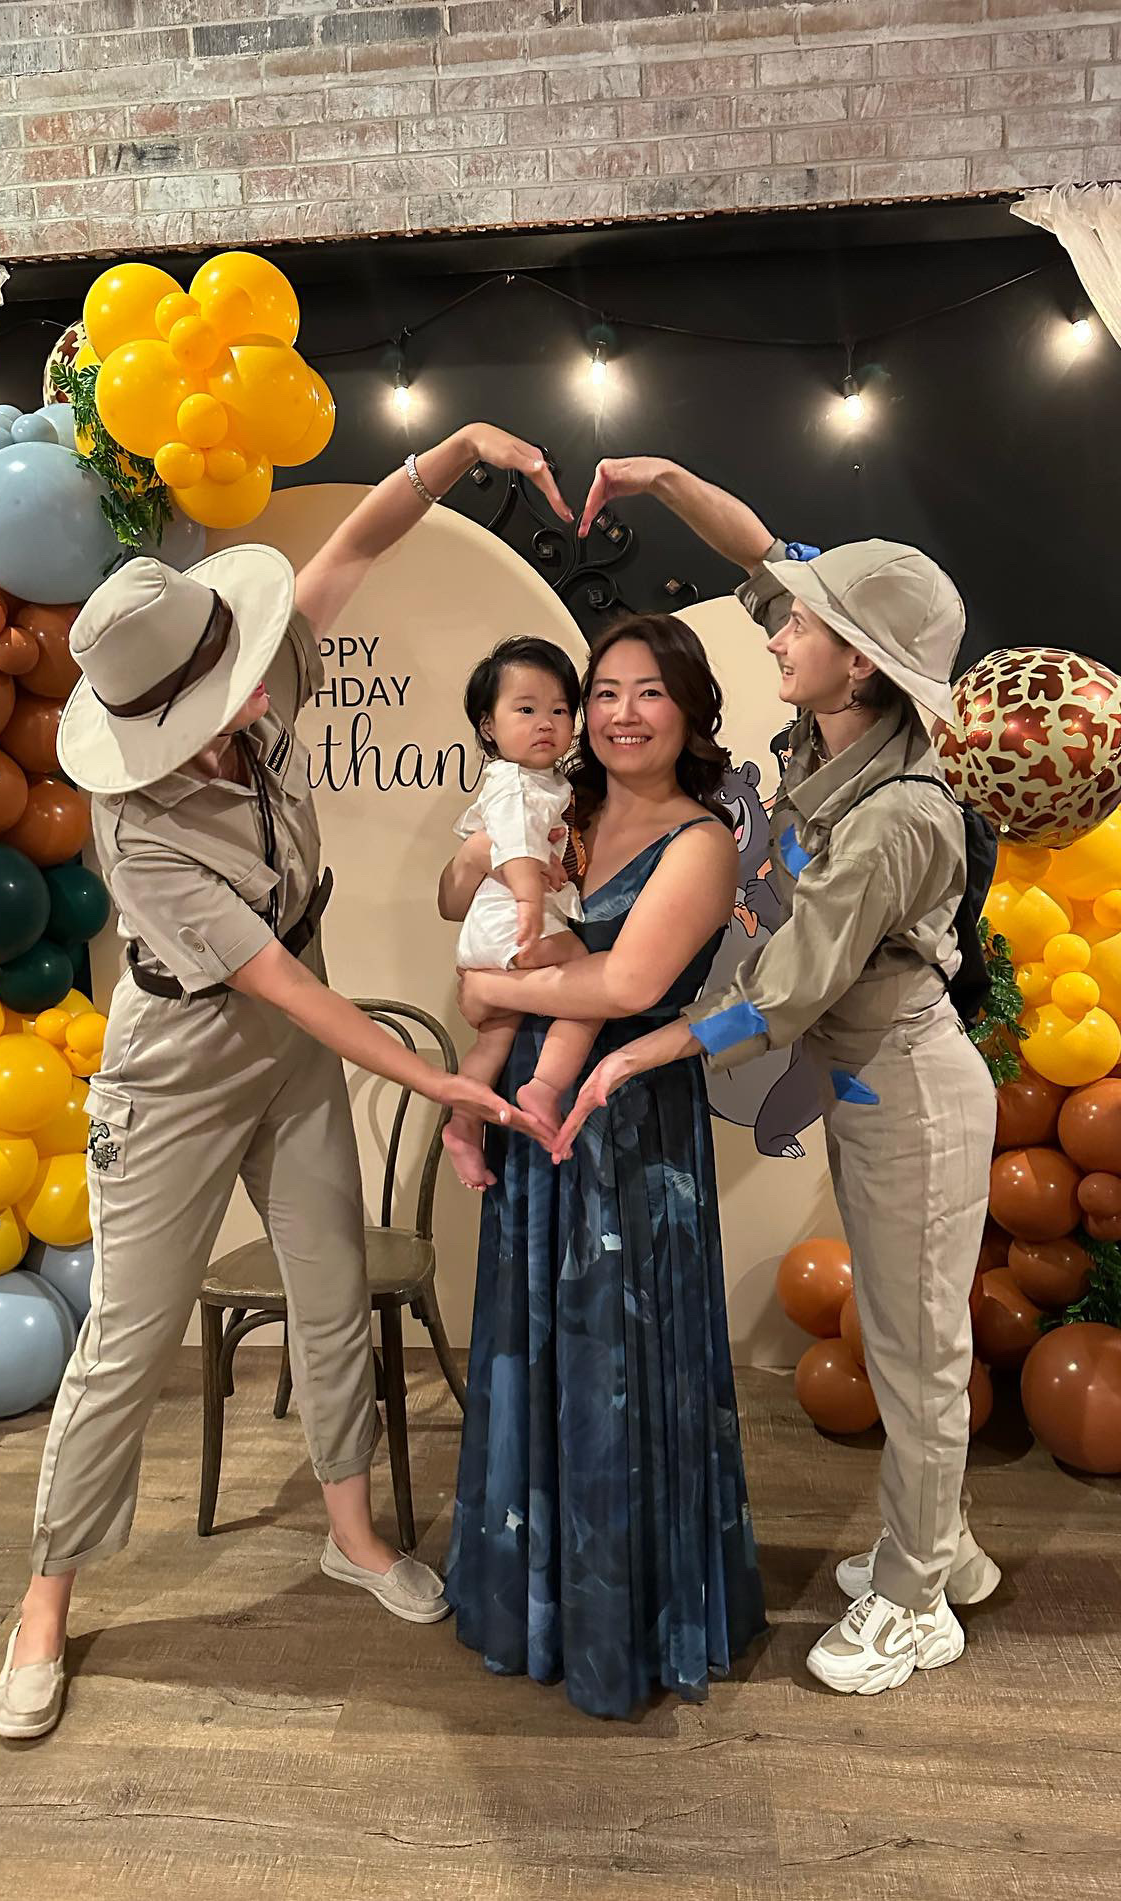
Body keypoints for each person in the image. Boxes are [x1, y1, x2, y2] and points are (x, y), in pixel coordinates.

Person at [0, 425, 568, 1742]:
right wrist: (447, 1082)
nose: (257, 702)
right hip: (181, 1068)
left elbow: (357, 541)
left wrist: (453, 454)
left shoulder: (254, 672)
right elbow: (288, 989)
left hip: (291, 1055)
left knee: (328, 1286)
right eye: (221, 704)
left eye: (242, 683)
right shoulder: (139, 830)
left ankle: (349, 1532)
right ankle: (43, 1601)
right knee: (127, 1342)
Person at [553, 456, 999, 1698]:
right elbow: (765, 560)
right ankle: (944, 1546)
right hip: (872, 1081)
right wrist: (664, 478)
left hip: (909, 1083)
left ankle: (915, 1602)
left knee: (917, 1352)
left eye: (807, 626)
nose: (779, 630)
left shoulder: (900, 810)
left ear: (859, 662)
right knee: (913, 1332)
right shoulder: (837, 727)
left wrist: (642, 1040)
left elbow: (789, 993)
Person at [441, 611, 766, 1721]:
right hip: (532, 1120)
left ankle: (627, 1618)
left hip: (626, 1124)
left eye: (650, 692)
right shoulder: (560, 808)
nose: (623, 715)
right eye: (607, 692)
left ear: (690, 710)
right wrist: (489, 862)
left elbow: (629, 988)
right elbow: (464, 892)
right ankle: (531, 1605)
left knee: (616, 1358)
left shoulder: (703, 840)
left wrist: (495, 995)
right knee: (538, 1343)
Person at [443, 635, 599, 1192]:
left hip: (499, 924)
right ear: (488, 726)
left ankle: (462, 1125)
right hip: (511, 920)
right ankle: (545, 1085)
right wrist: (534, 901)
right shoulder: (510, 781)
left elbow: (538, 849)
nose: (546, 723)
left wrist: (548, 874)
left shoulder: (550, 782)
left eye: (560, 710)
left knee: (494, 1037)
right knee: (591, 974)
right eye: (526, 709)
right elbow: (511, 845)